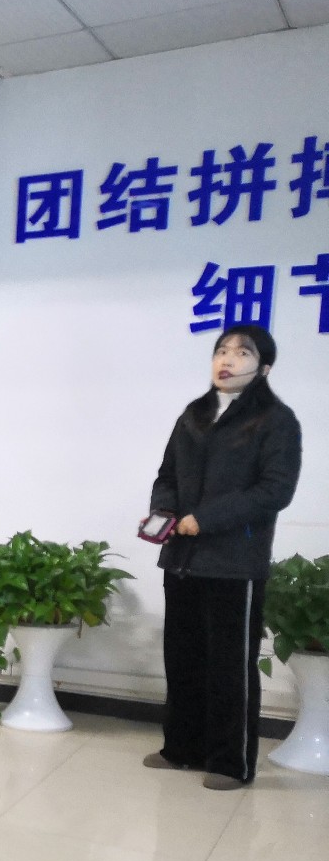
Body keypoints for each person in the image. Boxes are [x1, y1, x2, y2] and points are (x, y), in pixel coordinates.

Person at [145, 324, 302, 789]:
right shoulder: (193, 415)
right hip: (182, 558)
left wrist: (205, 519)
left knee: (230, 667)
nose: (227, 359)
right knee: (183, 658)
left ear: (264, 367)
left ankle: (230, 763)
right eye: (221, 351)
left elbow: (275, 490)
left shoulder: (276, 420)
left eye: (241, 352)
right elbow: (166, 474)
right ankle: (182, 749)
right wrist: (165, 514)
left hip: (234, 562)